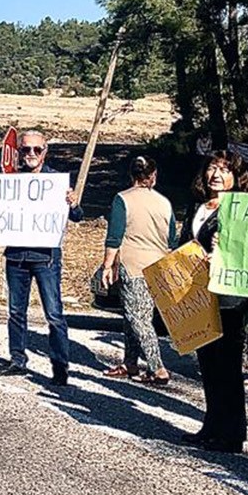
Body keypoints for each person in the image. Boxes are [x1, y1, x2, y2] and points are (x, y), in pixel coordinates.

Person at [0, 130, 81, 385]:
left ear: (45, 151)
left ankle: (60, 366)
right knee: (15, 311)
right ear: (19, 151)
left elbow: (77, 217)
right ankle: (17, 360)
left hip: (46, 258)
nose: (31, 154)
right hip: (16, 256)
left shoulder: (56, 181)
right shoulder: (9, 180)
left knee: (54, 314)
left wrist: (73, 203)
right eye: (26, 150)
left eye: (37, 149)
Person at [186, 151, 248, 451]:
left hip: (229, 299)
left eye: (225, 170)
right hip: (199, 295)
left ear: (236, 177)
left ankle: (232, 433)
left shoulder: (241, 209)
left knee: (227, 366)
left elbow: (247, 249)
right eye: (212, 168)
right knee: (208, 364)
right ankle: (211, 424)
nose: (216, 174)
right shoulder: (198, 206)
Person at [100, 156, 179, 384]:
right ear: (153, 176)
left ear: (131, 175)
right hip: (158, 265)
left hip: (132, 264)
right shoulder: (165, 202)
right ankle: (130, 362)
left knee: (138, 319)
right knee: (134, 315)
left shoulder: (122, 199)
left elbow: (114, 235)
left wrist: (107, 265)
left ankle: (157, 368)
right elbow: (171, 238)